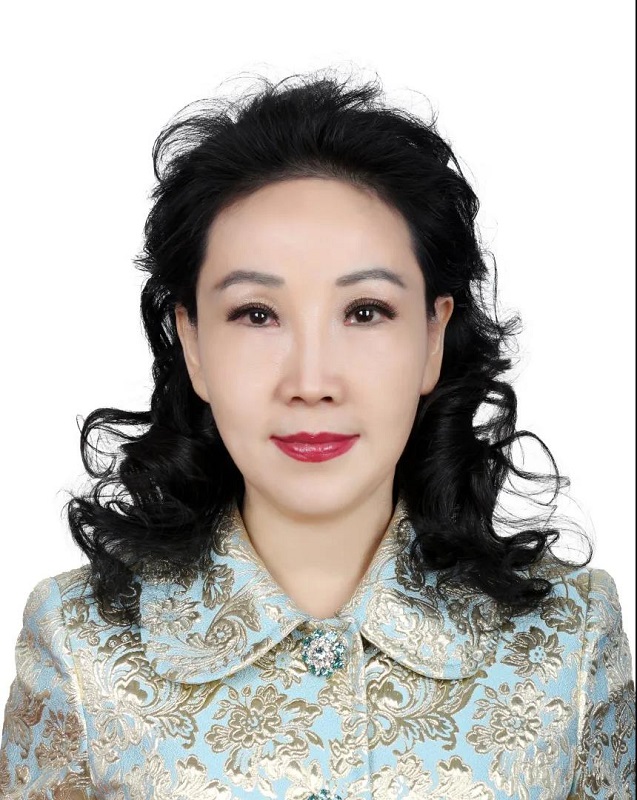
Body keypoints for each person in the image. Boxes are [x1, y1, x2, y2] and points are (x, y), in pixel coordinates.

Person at [1, 68, 634, 800]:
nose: (311, 380)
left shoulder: (569, 639)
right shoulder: (81, 645)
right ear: (193, 343)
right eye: (256, 314)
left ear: (433, 336)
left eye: (365, 312)